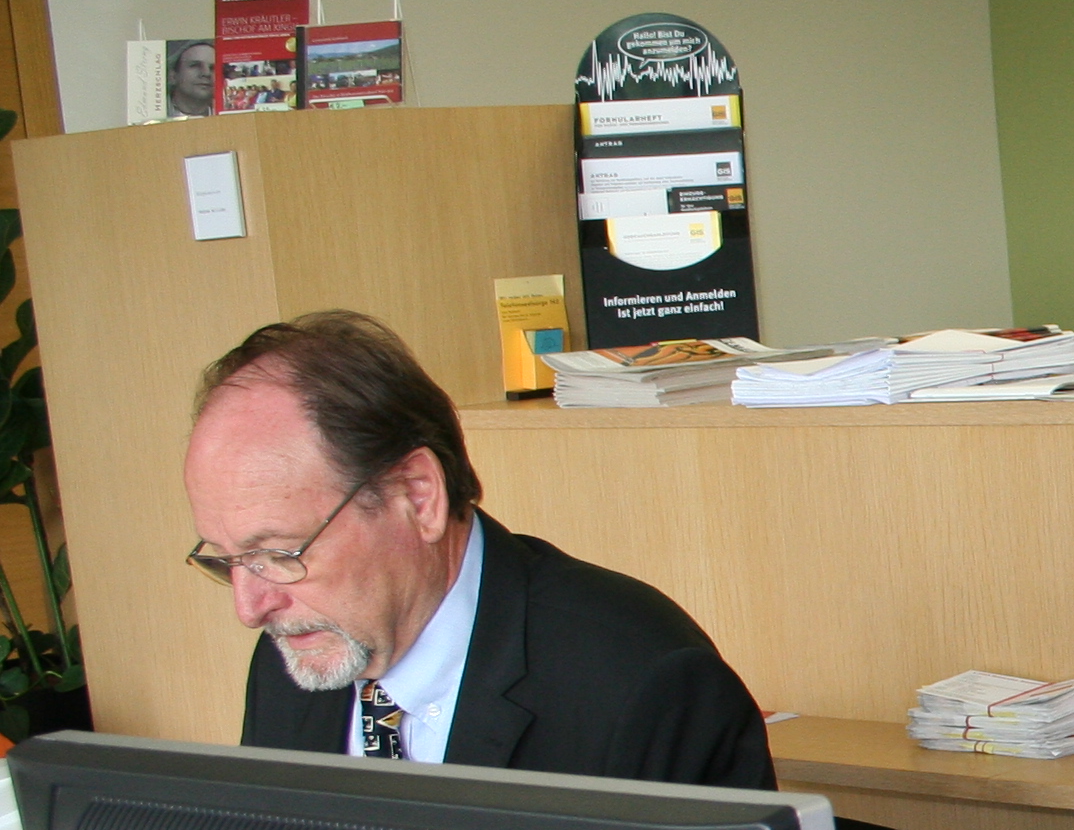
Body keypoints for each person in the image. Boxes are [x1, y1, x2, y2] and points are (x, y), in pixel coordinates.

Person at [183, 310, 776, 788]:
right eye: (230, 561)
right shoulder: (295, 663)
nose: (250, 609)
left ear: (417, 497)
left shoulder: (641, 684)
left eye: (281, 554)